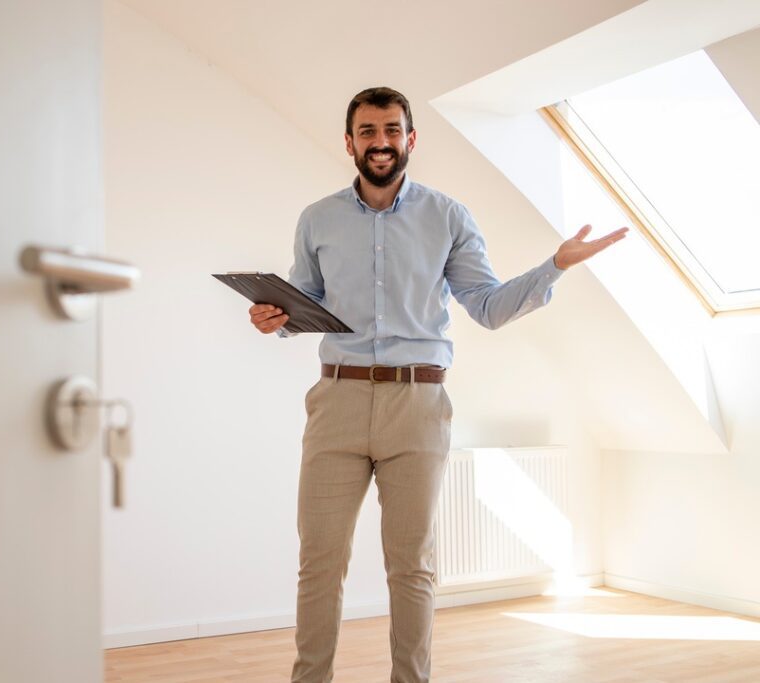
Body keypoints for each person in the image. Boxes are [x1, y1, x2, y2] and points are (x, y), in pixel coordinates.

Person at [248, 87, 628, 683]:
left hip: (418, 406)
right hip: (337, 400)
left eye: (393, 130)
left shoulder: (449, 216)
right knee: (318, 562)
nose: (381, 142)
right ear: (349, 142)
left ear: (411, 139)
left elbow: (488, 306)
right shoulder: (317, 219)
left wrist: (555, 265)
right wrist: (276, 317)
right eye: (369, 131)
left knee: (413, 565)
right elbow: (307, 304)